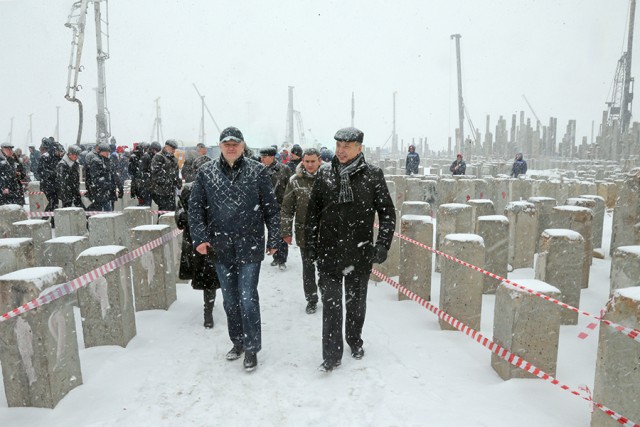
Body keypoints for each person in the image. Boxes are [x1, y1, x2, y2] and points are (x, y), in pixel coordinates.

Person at [189, 126, 280, 372]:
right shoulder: (206, 173)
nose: (231, 147)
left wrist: (274, 238)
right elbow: (195, 207)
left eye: (235, 143)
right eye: (226, 143)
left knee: (248, 297)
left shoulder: (257, 171)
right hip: (220, 246)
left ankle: (252, 348)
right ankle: (237, 342)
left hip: (249, 244)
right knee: (230, 299)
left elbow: (271, 208)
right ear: (220, 146)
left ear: (242, 146)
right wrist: (199, 238)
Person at [305, 127, 396, 372]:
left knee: (355, 306)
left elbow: (387, 213)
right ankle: (331, 355)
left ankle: (354, 340)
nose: (341, 151)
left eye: (347, 146)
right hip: (329, 252)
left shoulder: (373, 175)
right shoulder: (324, 174)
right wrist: (310, 246)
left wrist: (382, 245)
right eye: (338, 146)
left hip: (359, 252)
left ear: (359, 148)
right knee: (332, 306)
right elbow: (312, 214)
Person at [175, 153, 219, 329]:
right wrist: (189, 217)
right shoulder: (188, 189)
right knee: (209, 276)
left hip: (213, 238)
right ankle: (208, 311)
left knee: (213, 275)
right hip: (198, 239)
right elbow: (179, 216)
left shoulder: (219, 189)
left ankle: (210, 310)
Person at [281, 148, 322, 314]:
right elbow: (287, 207)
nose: (310, 165)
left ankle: (328, 295)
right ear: (302, 162)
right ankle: (311, 299)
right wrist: (286, 231)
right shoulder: (295, 180)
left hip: (327, 232)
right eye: (307, 161)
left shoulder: (329, 177)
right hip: (305, 231)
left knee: (326, 269)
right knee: (308, 268)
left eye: (313, 161)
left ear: (319, 160)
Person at [259, 146, 292, 269]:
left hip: (279, 205)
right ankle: (274, 254)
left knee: (280, 232)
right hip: (263, 206)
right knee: (270, 232)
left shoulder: (284, 169)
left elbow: (290, 187)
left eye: (265, 157)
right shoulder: (259, 169)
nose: (262, 159)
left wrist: (287, 204)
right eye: (261, 157)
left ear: (272, 157)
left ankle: (281, 258)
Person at [150, 139, 181, 212]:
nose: (174, 151)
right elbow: (156, 173)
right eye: (172, 149)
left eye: (175, 149)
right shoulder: (159, 157)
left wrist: (177, 182)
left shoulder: (174, 159)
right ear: (167, 147)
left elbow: (176, 173)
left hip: (171, 191)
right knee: (163, 212)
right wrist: (166, 182)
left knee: (171, 212)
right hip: (161, 191)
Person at [87, 142, 120, 211]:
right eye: (107, 151)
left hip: (108, 192)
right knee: (105, 212)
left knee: (108, 211)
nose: (108, 153)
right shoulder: (96, 161)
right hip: (101, 192)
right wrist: (105, 183)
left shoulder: (108, 161)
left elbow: (114, 175)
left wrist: (119, 186)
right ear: (102, 152)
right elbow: (95, 177)